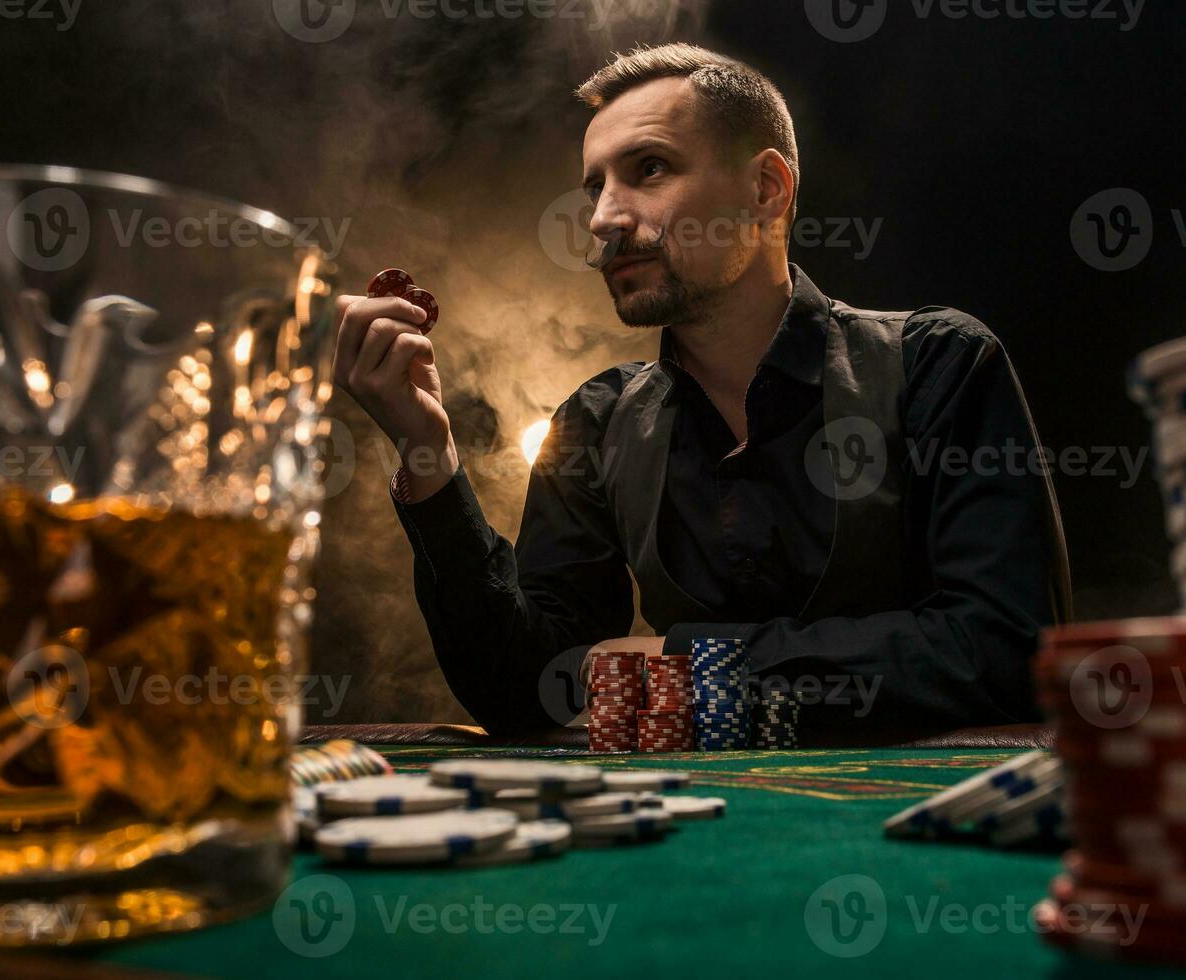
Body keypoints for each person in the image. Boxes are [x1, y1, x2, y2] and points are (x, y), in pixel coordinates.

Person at [332, 43, 1072, 737]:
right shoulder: (596, 421)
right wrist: (426, 452)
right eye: (595, 188)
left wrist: (691, 661)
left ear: (766, 189)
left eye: (648, 169)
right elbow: (526, 689)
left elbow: (1004, 651)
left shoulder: (939, 364)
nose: (601, 220)